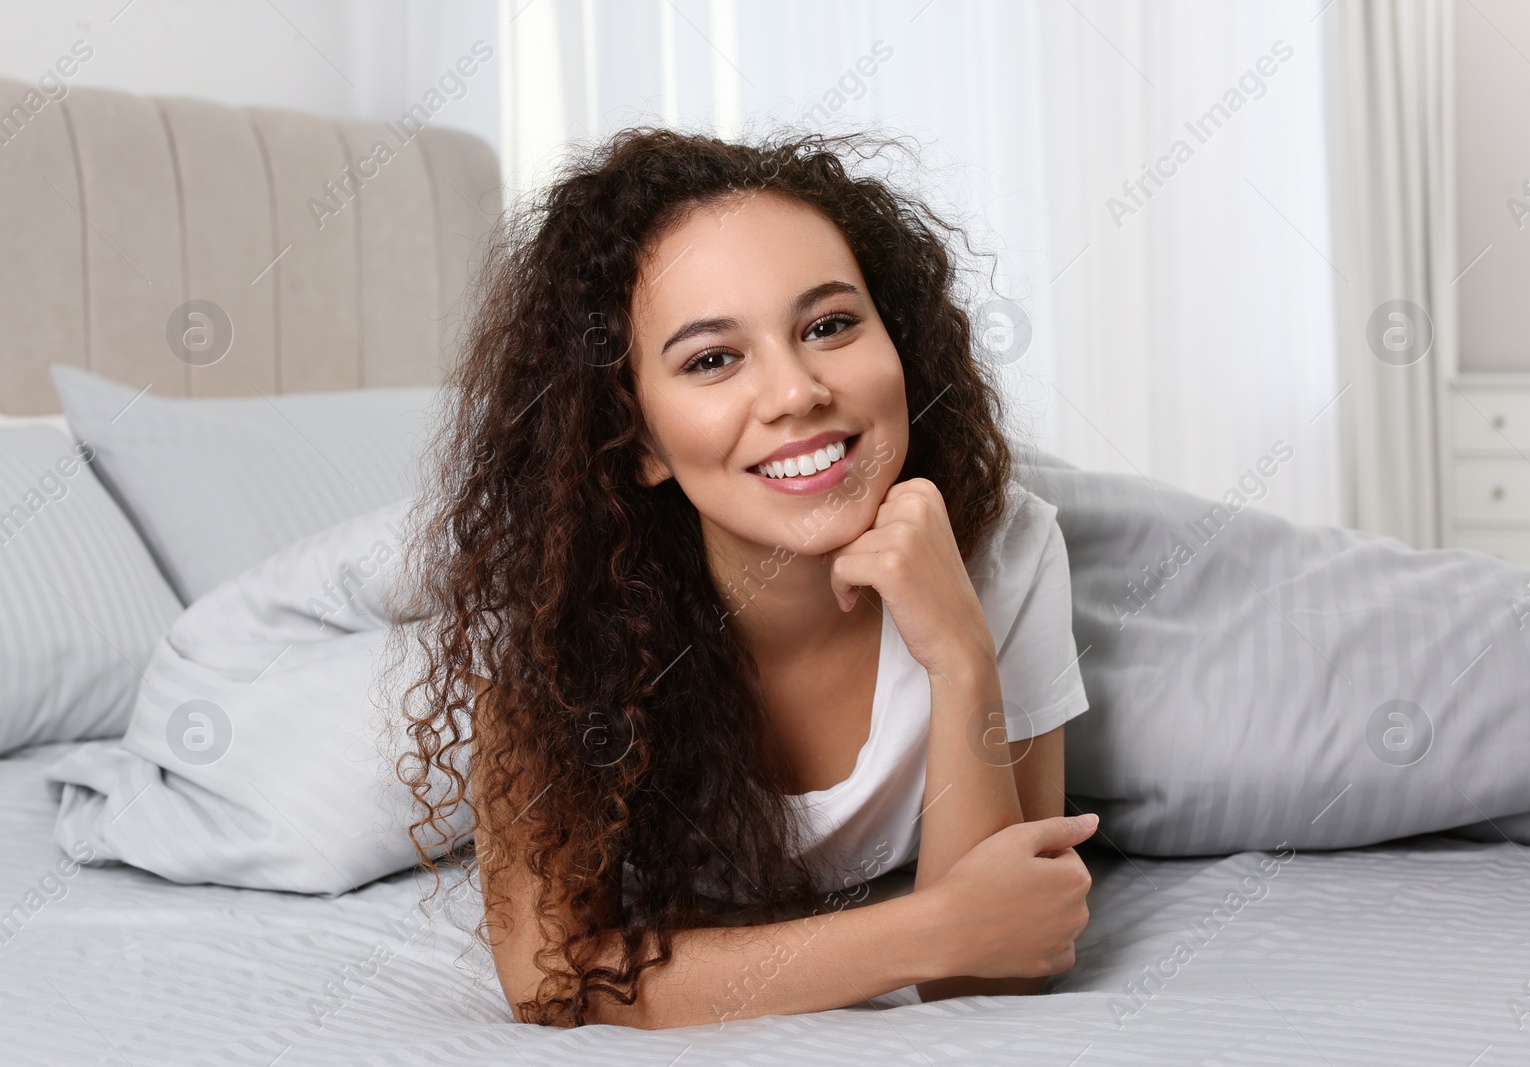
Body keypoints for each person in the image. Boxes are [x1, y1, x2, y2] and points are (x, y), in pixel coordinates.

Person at [393, 126, 1100, 1030]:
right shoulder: (546, 605)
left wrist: (962, 653)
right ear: (638, 438)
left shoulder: (1007, 552)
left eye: (830, 324)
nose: (797, 390)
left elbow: (997, 971)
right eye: (712, 359)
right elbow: (552, 976)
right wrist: (928, 930)